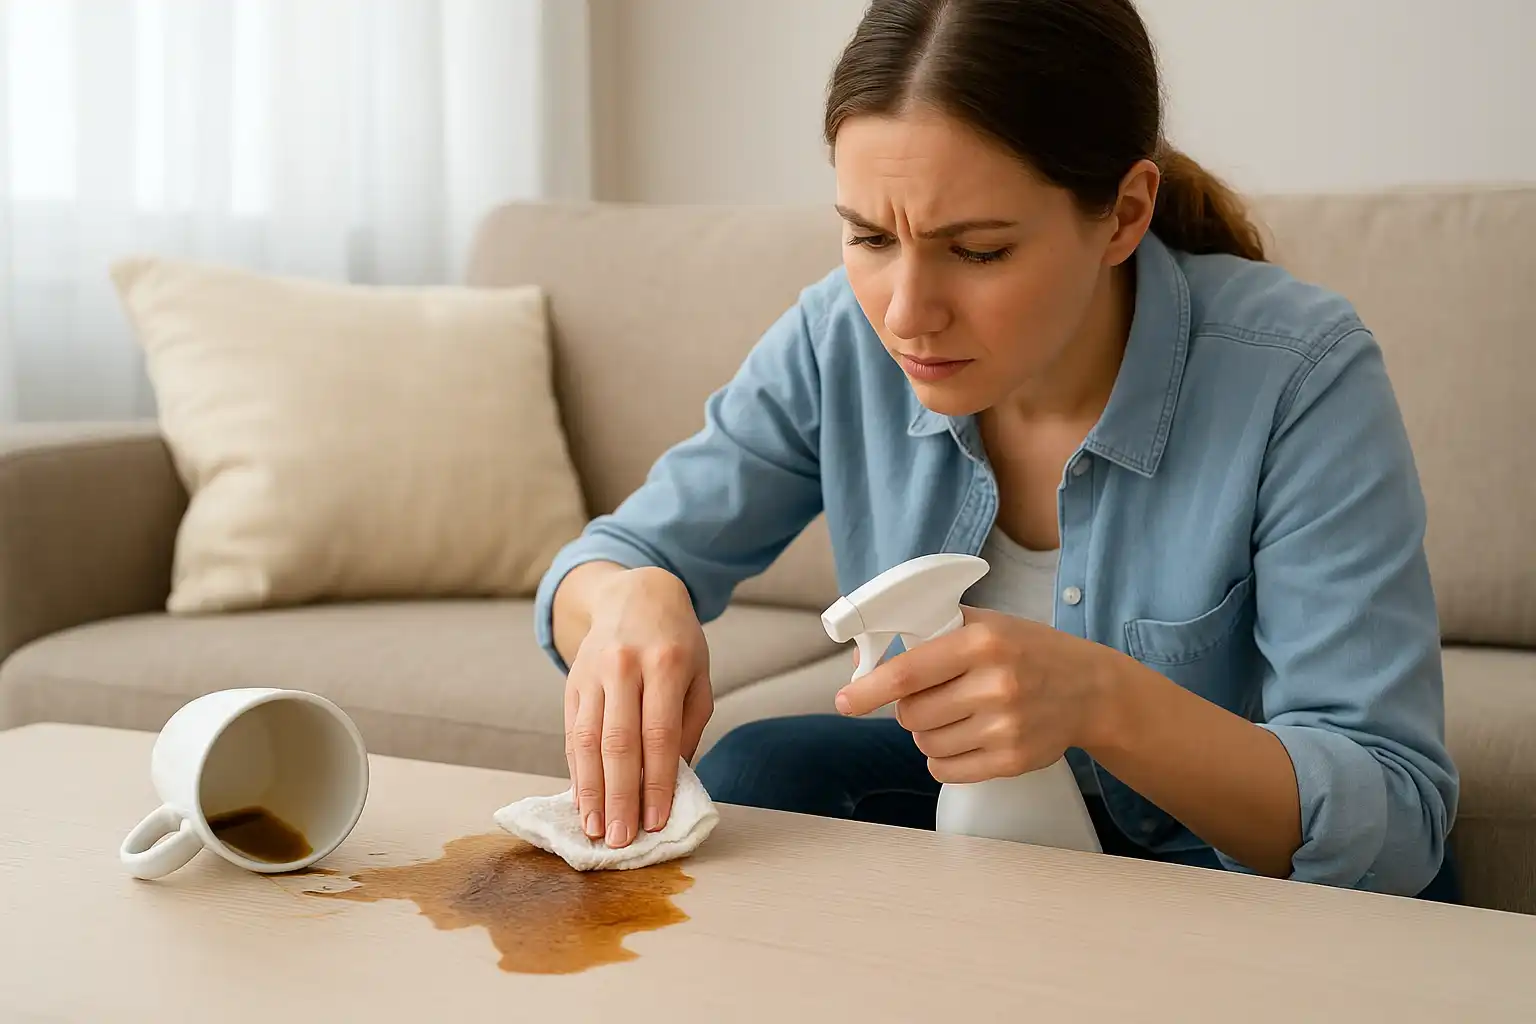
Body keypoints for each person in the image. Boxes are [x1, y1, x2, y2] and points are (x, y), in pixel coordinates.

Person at [534, 0, 1460, 901]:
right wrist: (631, 597)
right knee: (761, 768)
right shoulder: (838, 339)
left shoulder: (1298, 373)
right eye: (867, 236)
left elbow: (1397, 817)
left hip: (1232, 862)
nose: (904, 313)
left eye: (976, 251)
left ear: (1125, 214)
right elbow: (603, 567)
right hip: (987, 829)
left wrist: (1100, 700)